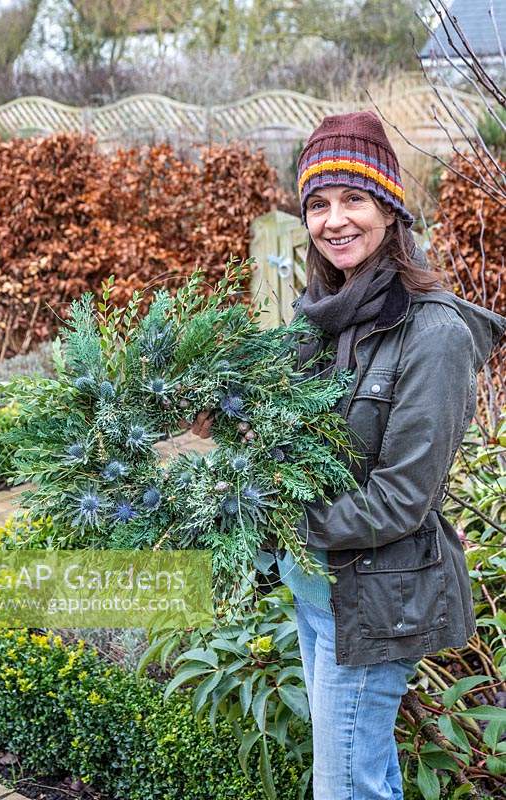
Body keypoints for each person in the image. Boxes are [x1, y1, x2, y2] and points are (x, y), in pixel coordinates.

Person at [188, 111, 506, 800]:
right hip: (318, 591)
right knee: (363, 776)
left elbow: (400, 497)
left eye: (353, 199)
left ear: (389, 210)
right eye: (317, 203)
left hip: (372, 594)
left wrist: (281, 524)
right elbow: (286, 439)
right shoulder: (319, 321)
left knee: (343, 789)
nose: (334, 219)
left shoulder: (433, 335)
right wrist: (212, 410)